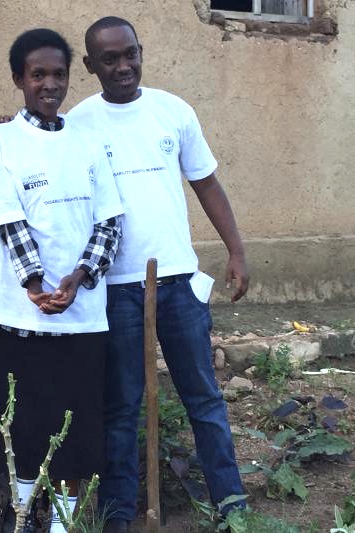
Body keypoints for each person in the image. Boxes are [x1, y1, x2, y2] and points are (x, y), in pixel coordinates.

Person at [68, 16, 250, 533]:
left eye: (130, 54)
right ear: (90, 66)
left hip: (178, 284)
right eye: (109, 59)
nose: (123, 66)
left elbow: (207, 185)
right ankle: (119, 513)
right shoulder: (80, 123)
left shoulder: (173, 112)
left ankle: (230, 503)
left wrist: (235, 250)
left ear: (141, 52)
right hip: (118, 287)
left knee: (204, 397)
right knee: (121, 405)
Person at [0, 28, 124, 533]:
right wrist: (36, 284)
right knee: (25, 416)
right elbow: (7, 220)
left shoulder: (89, 141)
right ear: (19, 78)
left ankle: (63, 519)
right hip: (22, 309)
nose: (49, 83)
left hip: (83, 313)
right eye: (37, 74)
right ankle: (22, 512)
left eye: (58, 74)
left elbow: (110, 221)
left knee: (76, 418)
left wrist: (80, 277)